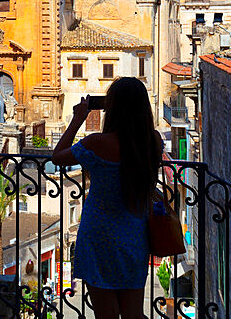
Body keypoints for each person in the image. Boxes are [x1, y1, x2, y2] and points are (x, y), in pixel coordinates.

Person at [51, 77, 162, 319]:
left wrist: (77, 119)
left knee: (105, 315)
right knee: (134, 314)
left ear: (111, 108)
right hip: (134, 235)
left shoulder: (96, 143)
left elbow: (58, 156)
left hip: (98, 235)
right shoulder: (153, 141)